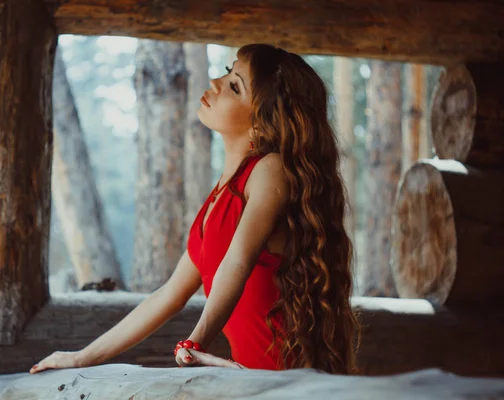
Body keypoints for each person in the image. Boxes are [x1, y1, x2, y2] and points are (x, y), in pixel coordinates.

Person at [30, 43, 359, 375]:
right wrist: (82, 357)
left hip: (286, 385)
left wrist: (196, 342)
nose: (216, 82)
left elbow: (239, 262)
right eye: (228, 71)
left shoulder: (269, 171)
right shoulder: (221, 193)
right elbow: (169, 295)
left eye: (234, 86)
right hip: (253, 385)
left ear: (262, 124)